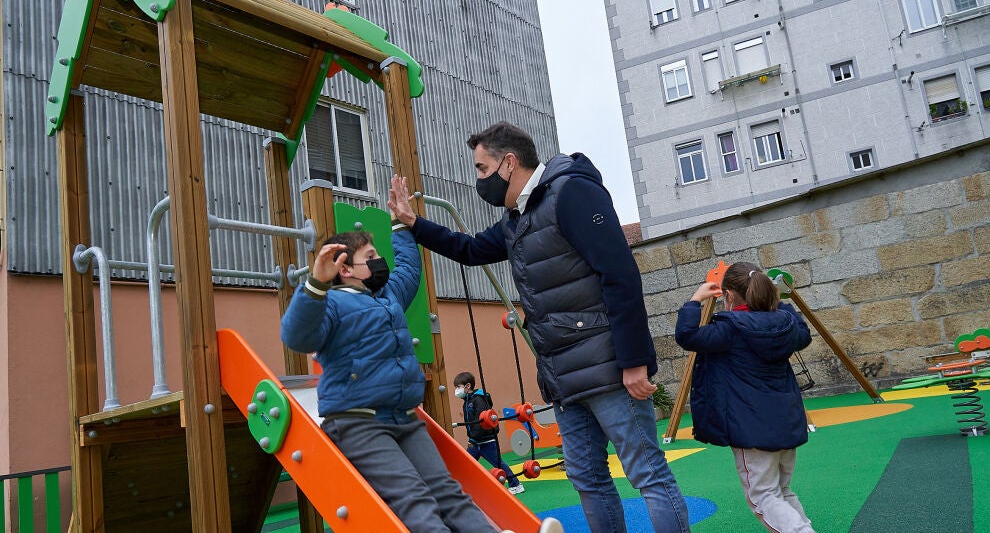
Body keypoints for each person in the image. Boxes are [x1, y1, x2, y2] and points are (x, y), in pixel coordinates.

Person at [389, 122, 691, 533]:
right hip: (563, 377)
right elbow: (471, 249)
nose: (479, 180)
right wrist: (414, 223)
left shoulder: (571, 193)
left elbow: (620, 274)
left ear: (508, 163)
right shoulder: (517, 221)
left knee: (647, 474)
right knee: (588, 479)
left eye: (482, 169)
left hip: (607, 368)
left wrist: (635, 361)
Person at [279, 179, 500, 533]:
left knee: (448, 493)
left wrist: (401, 223)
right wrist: (315, 286)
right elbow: (296, 336)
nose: (379, 261)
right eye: (371, 258)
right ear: (345, 269)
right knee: (414, 498)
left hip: (404, 418)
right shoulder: (331, 304)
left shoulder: (386, 297)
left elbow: (410, 271)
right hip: (358, 422)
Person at [674, 261, 815, 533]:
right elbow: (803, 333)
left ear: (728, 296)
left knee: (762, 496)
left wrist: (695, 300)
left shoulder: (729, 329)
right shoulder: (784, 323)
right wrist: (780, 301)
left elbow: (687, 336)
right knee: (782, 491)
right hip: (786, 420)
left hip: (750, 428)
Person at [453, 371, 524, 495]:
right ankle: (460, 489)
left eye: (458, 387)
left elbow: (481, 422)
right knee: (466, 463)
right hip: (476, 442)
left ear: (467, 386)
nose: (456, 390)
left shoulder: (479, 400)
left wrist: (472, 438)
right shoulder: (466, 401)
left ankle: (516, 484)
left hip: (486, 440)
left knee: (498, 463)